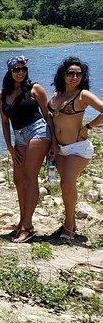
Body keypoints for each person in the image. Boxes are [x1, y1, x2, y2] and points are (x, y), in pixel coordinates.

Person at [0, 56, 55, 243]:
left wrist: (53, 143)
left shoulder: (35, 89)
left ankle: (27, 227)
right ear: (10, 72)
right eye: (16, 69)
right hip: (18, 136)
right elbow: (5, 123)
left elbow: (48, 116)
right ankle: (22, 219)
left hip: (38, 130)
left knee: (30, 177)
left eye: (23, 69)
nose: (20, 72)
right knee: (19, 179)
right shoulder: (2, 95)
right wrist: (9, 146)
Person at [48, 56, 103, 241]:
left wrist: (88, 127)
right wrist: (53, 144)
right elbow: (51, 120)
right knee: (66, 188)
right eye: (70, 73)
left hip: (78, 148)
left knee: (66, 183)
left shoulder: (83, 95)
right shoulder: (56, 95)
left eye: (78, 74)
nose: (74, 77)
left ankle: (69, 227)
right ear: (63, 75)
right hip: (61, 149)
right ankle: (69, 221)